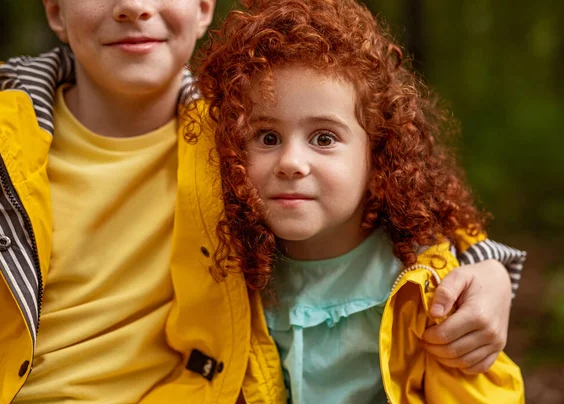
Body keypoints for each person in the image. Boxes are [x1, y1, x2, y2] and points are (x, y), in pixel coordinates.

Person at [0, 0, 524, 402]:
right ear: (55, 10)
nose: (135, 6)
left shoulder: (234, 132)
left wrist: (492, 273)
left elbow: (425, 215)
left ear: (204, 6)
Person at [196, 0, 525, 402]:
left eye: (323, 138)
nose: (291, 163)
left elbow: (485, 268)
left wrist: (494, 277)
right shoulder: (228, 259)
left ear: (378, 154)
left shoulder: (422, 270)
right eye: (268, 137)